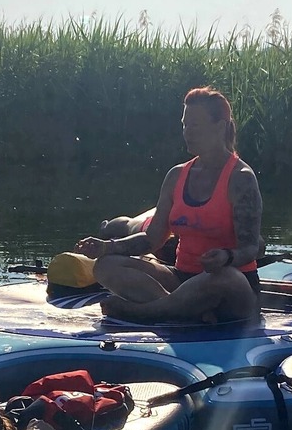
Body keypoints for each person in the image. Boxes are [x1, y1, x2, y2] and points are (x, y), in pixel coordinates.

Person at [75, 88, 264, 324]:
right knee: (105, 266)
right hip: (182, 279)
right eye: (185, 125)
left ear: (220, 127)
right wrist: (106, 246)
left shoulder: (241, 178)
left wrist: (227, 256)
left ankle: (144, 312)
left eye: (195, 125)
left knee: (225, 277)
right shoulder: (176, 175)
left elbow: (251, 247)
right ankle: (185, 311)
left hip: (231, 284)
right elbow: (151, 239)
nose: (187, 132)